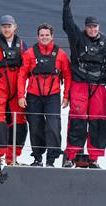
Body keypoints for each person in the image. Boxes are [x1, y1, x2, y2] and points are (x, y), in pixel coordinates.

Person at [61, 0, 106, 168]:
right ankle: (71, 156)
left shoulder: (105, 41)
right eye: (89, 27)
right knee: (77, 119)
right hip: (80, 84)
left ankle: (94, 158)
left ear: (98, 27)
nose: (92, 29)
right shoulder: (77, 38)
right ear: (85, 27)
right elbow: (67, 24)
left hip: (98, 87)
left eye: (95, 27)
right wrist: (66, 1)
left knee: (98, 121)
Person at [17, 23, 72, 166]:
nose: (44, 37)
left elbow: (68, 75)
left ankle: (51, 159)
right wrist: (21, 96)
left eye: (47, 35)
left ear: (52, 36)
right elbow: (22, 75)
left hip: (53, 96)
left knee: (53, 126)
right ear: (38, 36)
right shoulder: (30, 53)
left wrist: (66, 96)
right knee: (35, 126)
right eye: (42, 35)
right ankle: (37, 158)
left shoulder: (60, 54)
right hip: (33, 96)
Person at [0, 15, 27, 165]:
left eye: (9, 26)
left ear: (15, 27)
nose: (6, 29)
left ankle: (12, 157)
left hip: (16, 91)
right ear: (0, 28)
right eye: (4, 26)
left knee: (19, 124)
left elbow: (29, 67)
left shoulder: (22, 45)